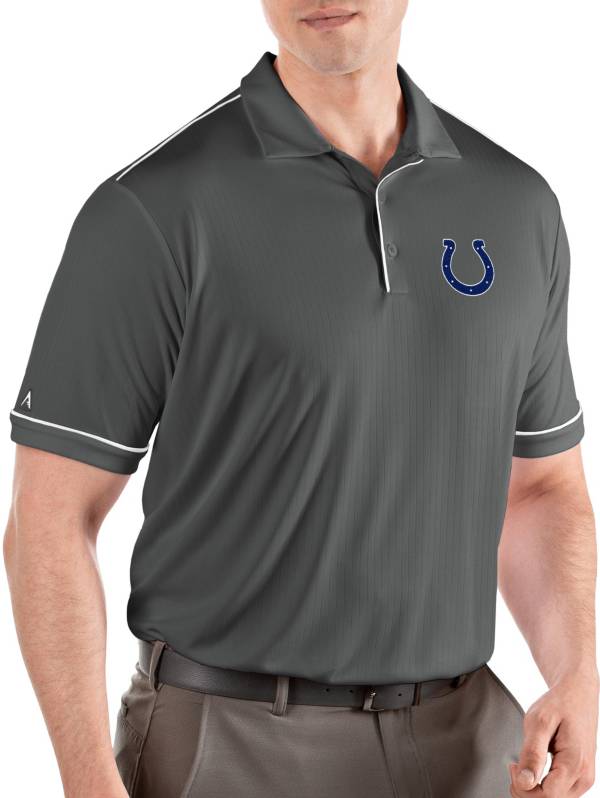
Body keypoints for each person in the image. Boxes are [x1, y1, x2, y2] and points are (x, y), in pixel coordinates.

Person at [4, 1, 598, 796]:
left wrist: (579, 673)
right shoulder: (154, 209)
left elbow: (541, 488)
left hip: (472, 749)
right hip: (229, 746)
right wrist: (88, 784)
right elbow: (49, 518)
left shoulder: (516, 205)